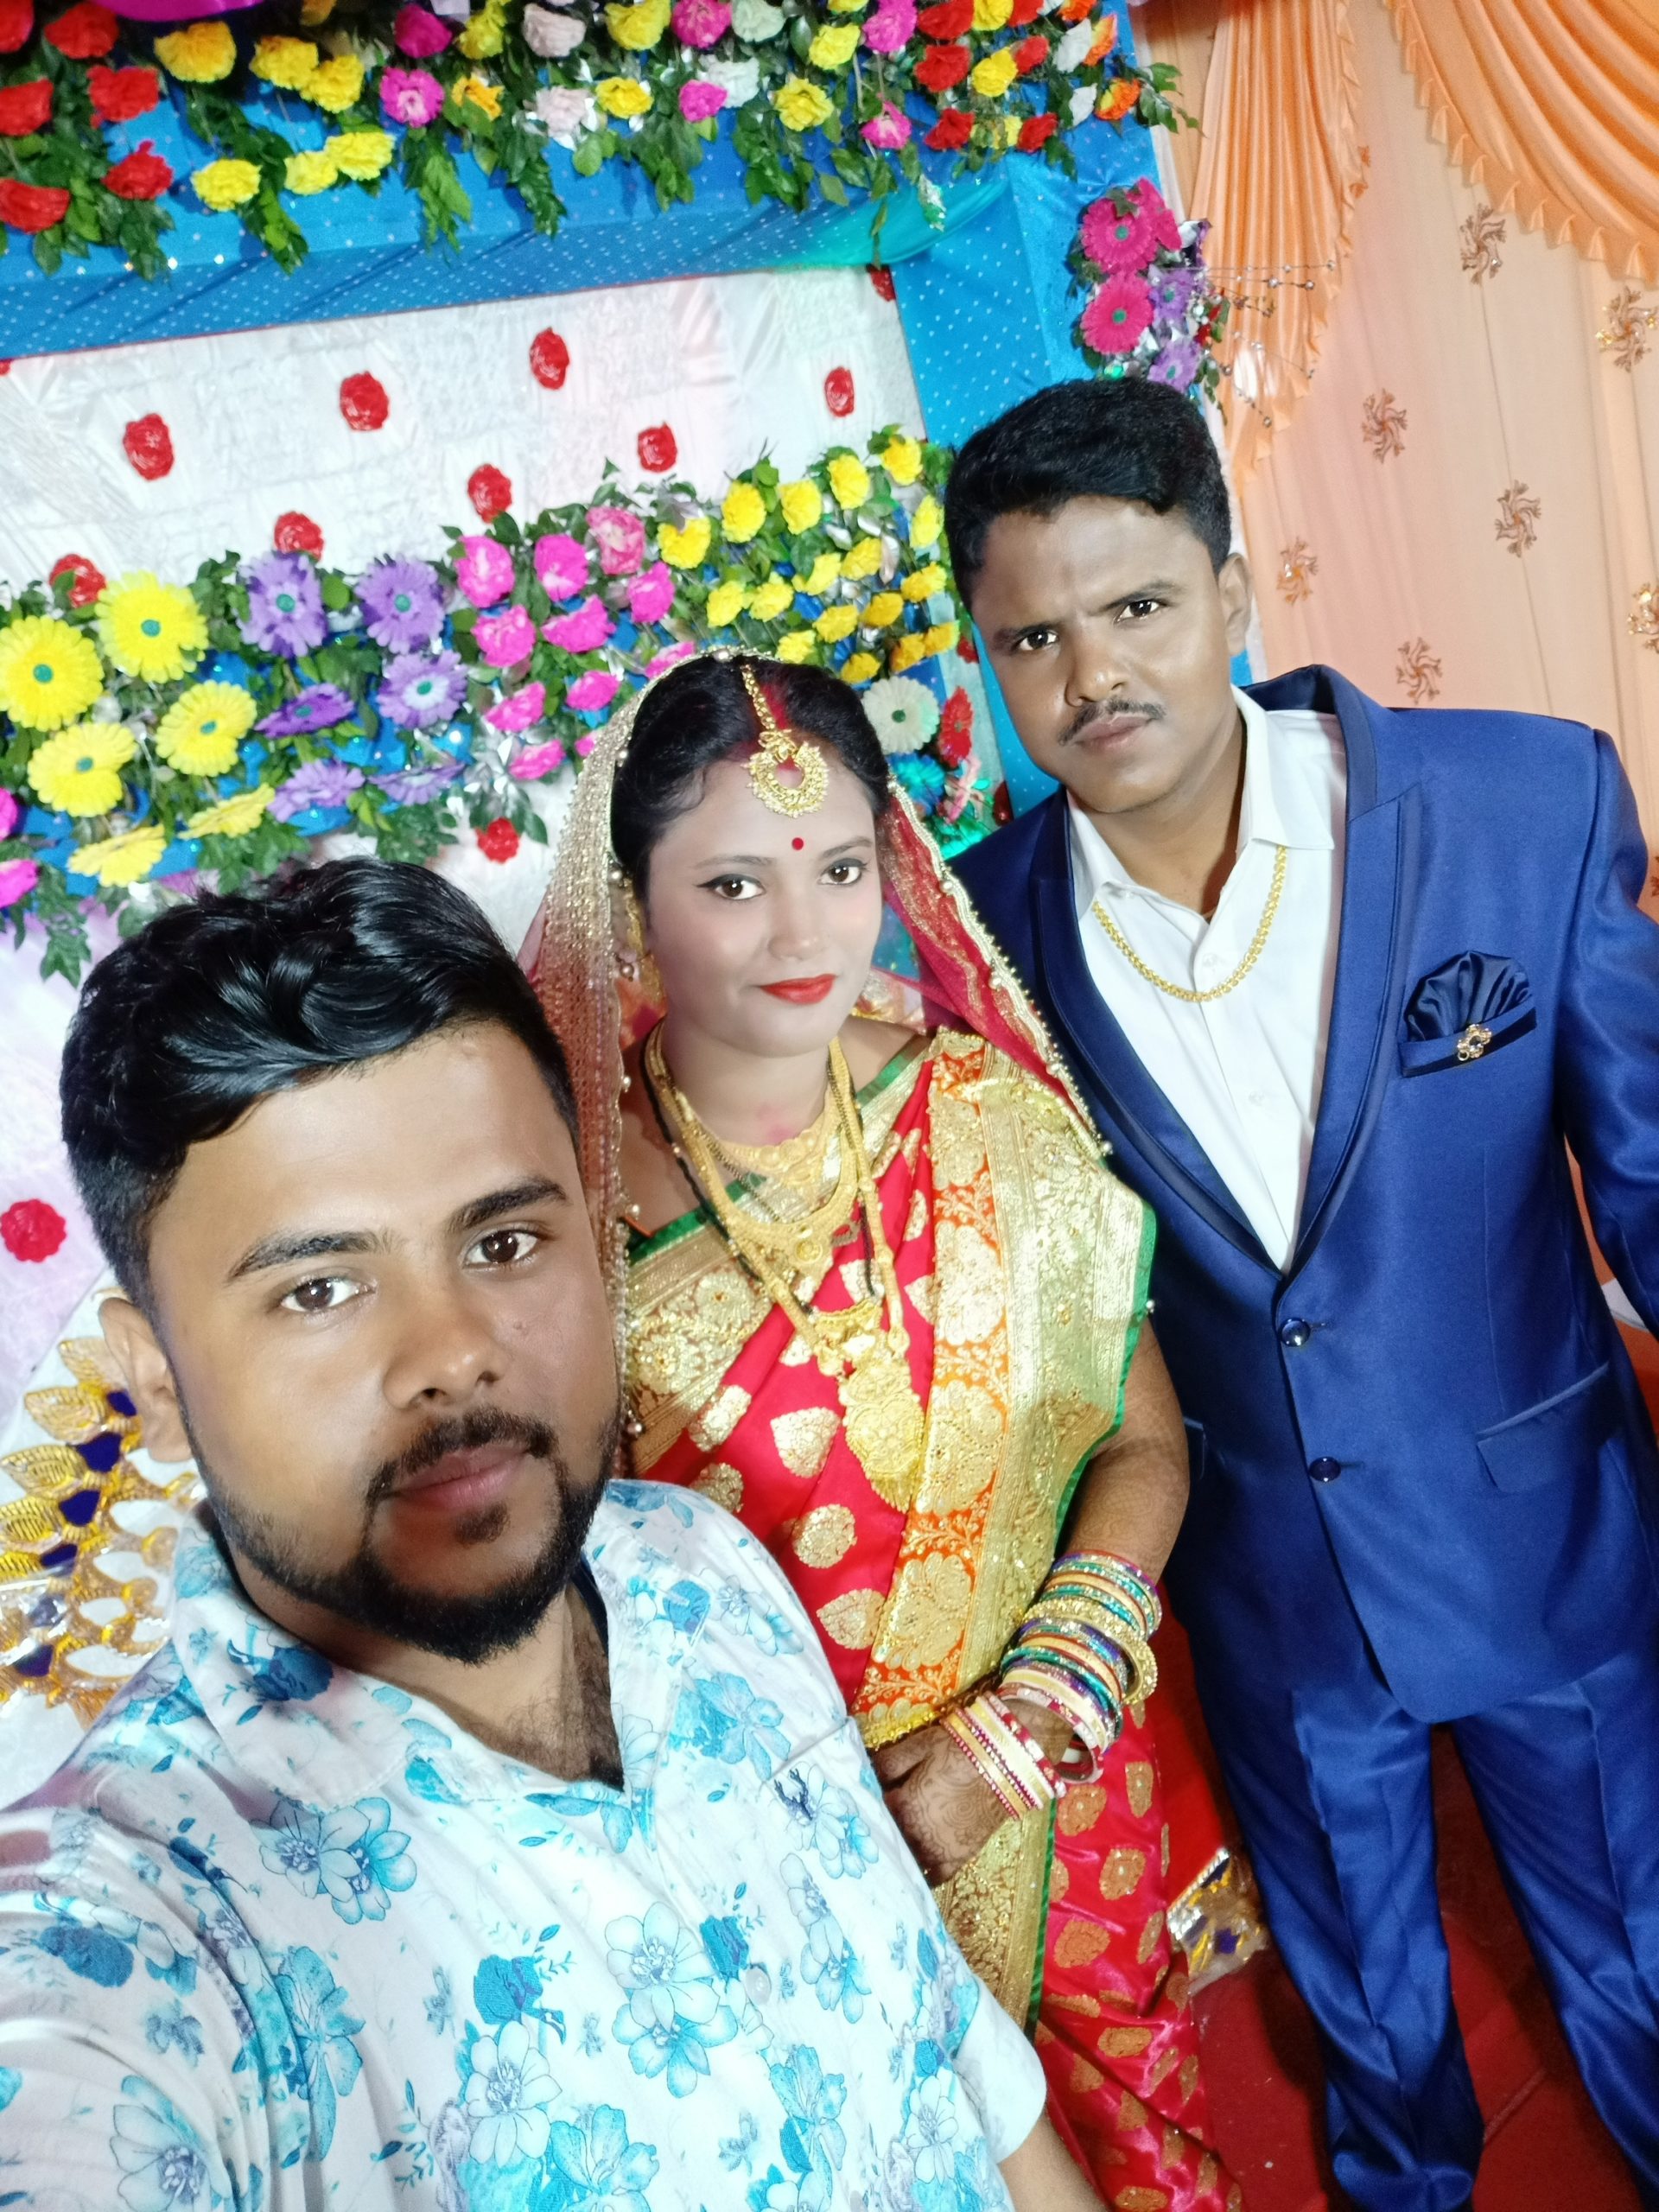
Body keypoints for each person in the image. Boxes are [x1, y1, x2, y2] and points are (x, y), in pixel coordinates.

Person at [0, 856, 1101, 2212]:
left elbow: (960, 2071)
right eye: (321, 1288)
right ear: (156, 1382)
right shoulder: (136, 1944)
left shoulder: (697, 1568)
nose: (453, 1353)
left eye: (505, 1243)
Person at [947, 376, 1659, 2212]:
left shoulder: (1521, 803)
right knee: (1371, 2024)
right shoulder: (975, 935)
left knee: (1646, 1965)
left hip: (1541, 1533)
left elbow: (1652, 1173)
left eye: (1137, 606)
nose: (1093, 674)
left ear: (1235, 589)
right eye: (1032, 639)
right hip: (1270, 1587)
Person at [528, 648, 1240, 2209]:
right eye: (734, 885)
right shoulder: (562, 1228)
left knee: (1145, 2148)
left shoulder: (981, 1112)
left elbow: (1141, 1442)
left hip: (1056, 1785)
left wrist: (1025, 1726)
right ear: (629, 905)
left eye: (842, 868)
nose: (807, 934)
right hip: (788, 1867)